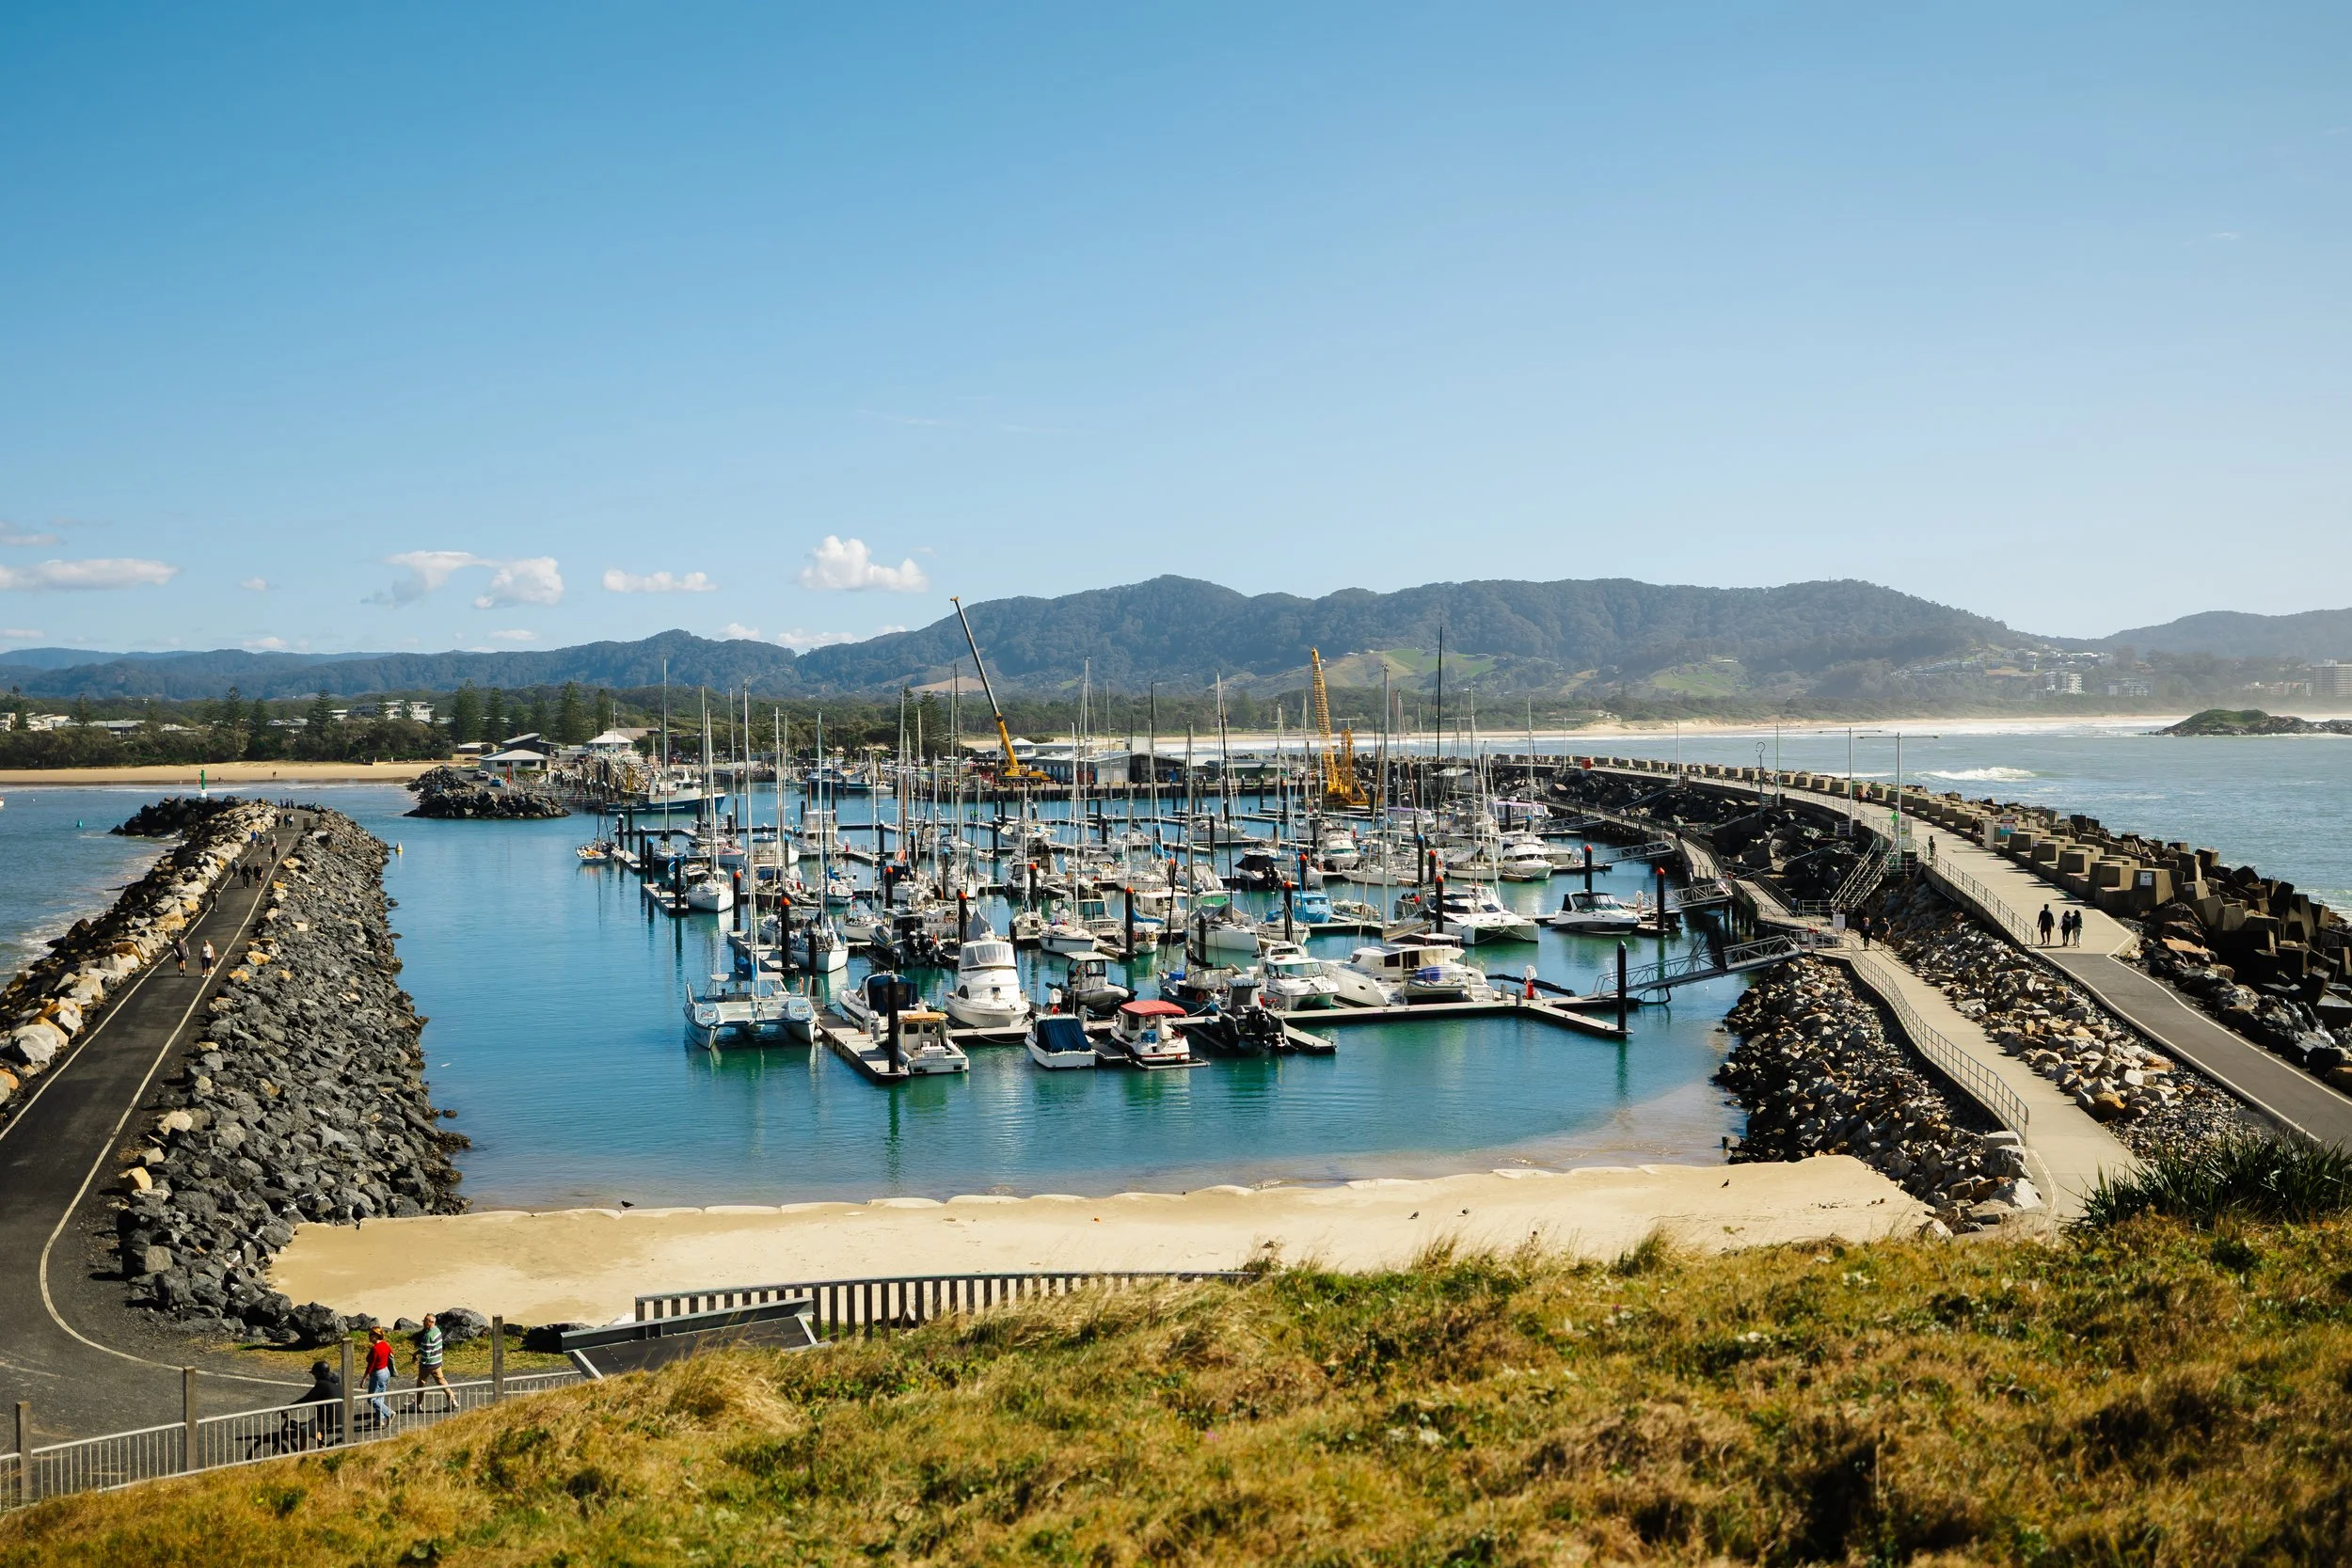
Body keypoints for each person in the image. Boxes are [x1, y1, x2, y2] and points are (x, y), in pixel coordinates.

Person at [413, 1313, 455, 1413]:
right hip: (437, 1362)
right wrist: (417, 1352)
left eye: (426, 1321)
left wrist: (420, 1362)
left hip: (428, 1364)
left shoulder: (428, 1335)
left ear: (431, 1322)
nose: (424, 1323)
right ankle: (452, 1400)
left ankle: (417, 1405)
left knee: (421, 1383)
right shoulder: (437, 1331)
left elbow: (426, 1353)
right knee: (442, 1381)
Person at [296, 1359, 344, 1448]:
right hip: (340, 1414)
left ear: (320, 1373)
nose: (314, 1376)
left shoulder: (322, 1384)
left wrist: (290, 1407)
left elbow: (308, 1398)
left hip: (328, 1417)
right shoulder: (335, 1380)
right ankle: (321, 1446)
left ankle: (301, 1455)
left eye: (315, 1373)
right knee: (313, 1426)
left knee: (303, 1432)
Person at [363, 1326, 396, 1426]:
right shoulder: (386, 1344)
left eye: (370, 1335)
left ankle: (389, 1413)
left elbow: (371, 1365)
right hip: (386, 1372)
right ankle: (379, 1420)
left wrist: (364, 1378)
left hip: (378, 1374)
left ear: (376, 1336)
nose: (369, 1337)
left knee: (372, 1399)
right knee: (380, 1397)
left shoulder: (375, 1349)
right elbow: (392, 1354)